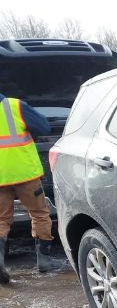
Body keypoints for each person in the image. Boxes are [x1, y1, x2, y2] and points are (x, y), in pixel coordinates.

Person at [0, 91, 64, 283]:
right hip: (25, 173)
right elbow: (43, 127)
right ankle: (44, 260)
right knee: (39, 214)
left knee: (1, 219)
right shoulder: (14, 106)